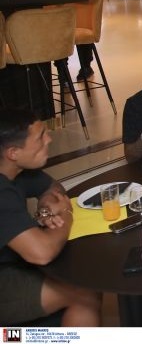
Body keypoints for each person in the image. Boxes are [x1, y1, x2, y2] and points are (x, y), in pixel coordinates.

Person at [0, 109, 101, 326]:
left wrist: (46, 209)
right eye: (40, 137)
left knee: (85, 275)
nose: (49, 139)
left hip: (14, 264)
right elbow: (42, 253)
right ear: (13, 153)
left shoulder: (18, 170)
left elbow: (53, 188)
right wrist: (65, 214)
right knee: (85, 294)